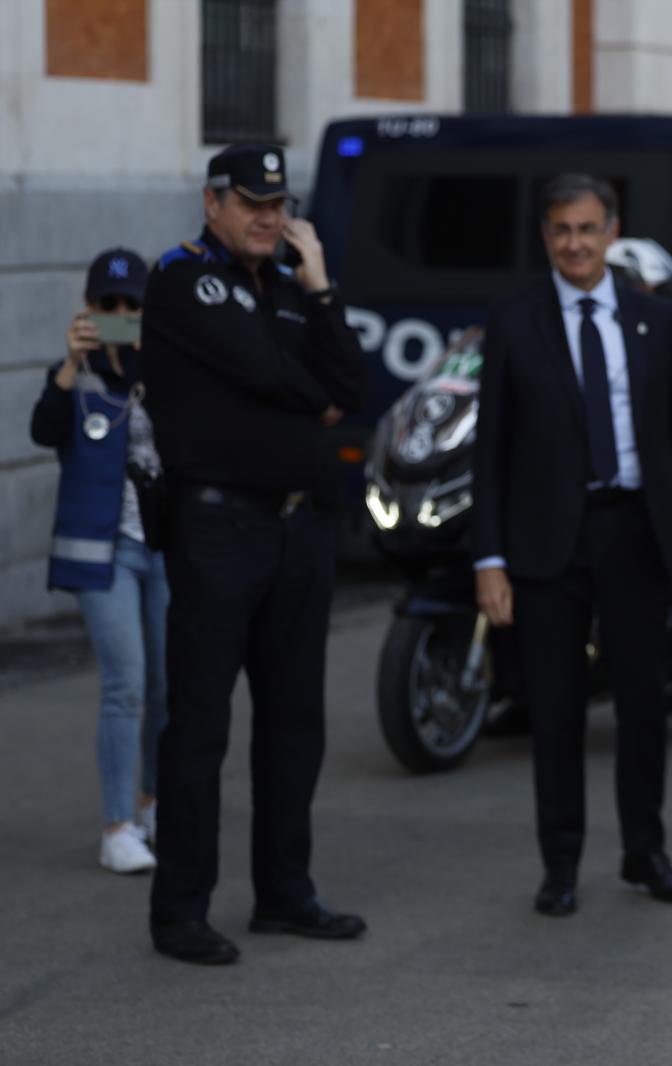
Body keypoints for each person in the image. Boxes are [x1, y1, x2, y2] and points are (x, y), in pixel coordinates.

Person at [140, 144, 368, 965]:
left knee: (294, 724)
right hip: (218, 531)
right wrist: (316, 396)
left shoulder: (290, 285)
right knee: (200, 726)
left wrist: (323, 288)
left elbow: (355, 384)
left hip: (299, 530)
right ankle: (180, 911)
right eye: (249, 203)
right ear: (212, 205)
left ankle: (284, 893)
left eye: (278, 204)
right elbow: (280, 377)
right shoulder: (183, 278)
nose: (268, 217)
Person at [472, 173, 672, 919]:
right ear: (545, 237)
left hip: (638, 536)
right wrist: (488, 559)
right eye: (560, 231)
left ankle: (646, 853)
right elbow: (492, 450)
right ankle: (562, 863)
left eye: (586, 229)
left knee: (644, 703)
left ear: (611, 231)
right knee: (555, 709)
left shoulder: (656, 320)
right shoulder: (515, 321)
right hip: (547, 543)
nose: (574, 243)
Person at [29, 248, 166, 875]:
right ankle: (116, 828)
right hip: (103, 553)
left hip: (165, 549)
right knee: (126, 685)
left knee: (169, 687)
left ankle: (151, 804)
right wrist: (71, 361)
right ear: (88, 308)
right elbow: (43, 429)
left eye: (131, 305)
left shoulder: (163, 367)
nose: (119, 314)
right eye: (107, 305)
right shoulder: (75, 373)